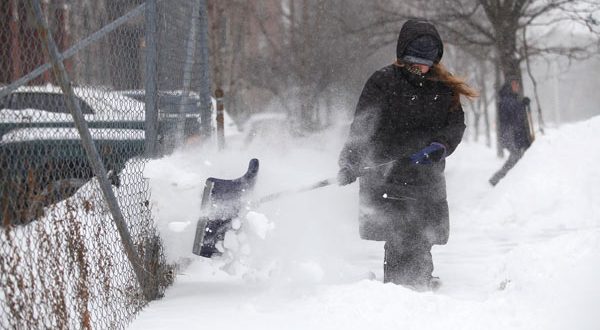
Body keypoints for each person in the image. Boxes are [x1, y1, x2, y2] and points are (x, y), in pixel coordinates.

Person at [337, 19, 478, 290]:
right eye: (415, 61)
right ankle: (402, 291)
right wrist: (350, 163)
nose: (422, 68)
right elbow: (362, 128)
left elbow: (454, 125)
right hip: (387, 178)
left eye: (427, 62)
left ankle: (418, 287)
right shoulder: (382, 82)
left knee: (422, 235)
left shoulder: (443, 88)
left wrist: (441, 146)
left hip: (426, 177)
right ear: (403, 57)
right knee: (400, 234)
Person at [488, 77, 533, 186]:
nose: (517, 87)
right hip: (509, 135)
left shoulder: (511, 99)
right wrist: (522, 104)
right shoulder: (506, 99)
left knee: (517, 157)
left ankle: (502, 180)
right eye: (514, 85)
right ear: (509, 87)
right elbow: (513, 112)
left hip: (512, 134)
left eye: (517, 85)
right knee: (516, 157)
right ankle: (497, 180)